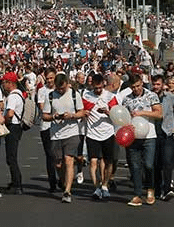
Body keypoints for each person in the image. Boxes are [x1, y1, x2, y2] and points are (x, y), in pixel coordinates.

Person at [42, 73, 85, 203]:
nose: (61, 91)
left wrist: (72, 116)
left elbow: (82, 112)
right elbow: (44, 116)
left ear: (67, 84)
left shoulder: (74, 94)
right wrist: (54, 116)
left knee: (69, 160)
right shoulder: (50, 96)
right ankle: (62, 180)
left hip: (71, 132)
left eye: (63, 88)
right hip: (56, 134)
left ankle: (67, 191)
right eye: (58, 89)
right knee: (58, 164)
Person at [121, 72, 162, 207]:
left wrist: (142, 113)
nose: (136, 89)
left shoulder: (151, 96)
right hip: (134, 136)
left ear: (142, 83)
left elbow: (158, 114)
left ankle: (150, 189)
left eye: (138, 86)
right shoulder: (126, 99)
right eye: (133, 87)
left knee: (148, 165)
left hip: (149, 135)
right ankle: (137, 194)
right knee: (135, 165)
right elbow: (124, 117)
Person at [81, 73, 117, 200]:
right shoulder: (86, 96)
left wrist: (107, 112)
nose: (98, 90)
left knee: (108, 161)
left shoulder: (110, 97)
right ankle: (96, 188)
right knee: (93, 161)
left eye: (100, 87)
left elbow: (117, 114)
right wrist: (84, 113)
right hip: (92, 133)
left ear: (104, 85)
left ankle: (105, 185)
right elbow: (82, 111)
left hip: (107, 133)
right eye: (96, 88)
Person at [152, 75, 174, 201]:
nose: (156, 87)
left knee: (167, 161)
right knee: (156, 164)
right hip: (153, 133)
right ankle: (158, 189)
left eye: (158, 84)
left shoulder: (170, 97)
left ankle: (167, 188)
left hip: (167, 132)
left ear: (163, 85)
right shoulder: (148, 97)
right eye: (154, 84)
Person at [0, 71, 25, 195]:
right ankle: (15, 181)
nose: (3, 85)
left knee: (11, 157)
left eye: (4, 82)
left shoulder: (12, 96)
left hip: (12, 127)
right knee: (11, 156)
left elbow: (10, 113)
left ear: (10, 83)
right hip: (17, 127)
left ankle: (17, 183)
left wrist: (1, 121)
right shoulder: (19, 94)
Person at [37, 67, 59, 192]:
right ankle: (52, 182)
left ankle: (62, 178)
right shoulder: (42, 90)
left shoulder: (60, 89)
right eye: (48, 78)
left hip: (59, 126)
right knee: (50, 155)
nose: (50, 80)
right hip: (46, 126)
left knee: (60, 155)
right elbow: (42, 107)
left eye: (52, 78)